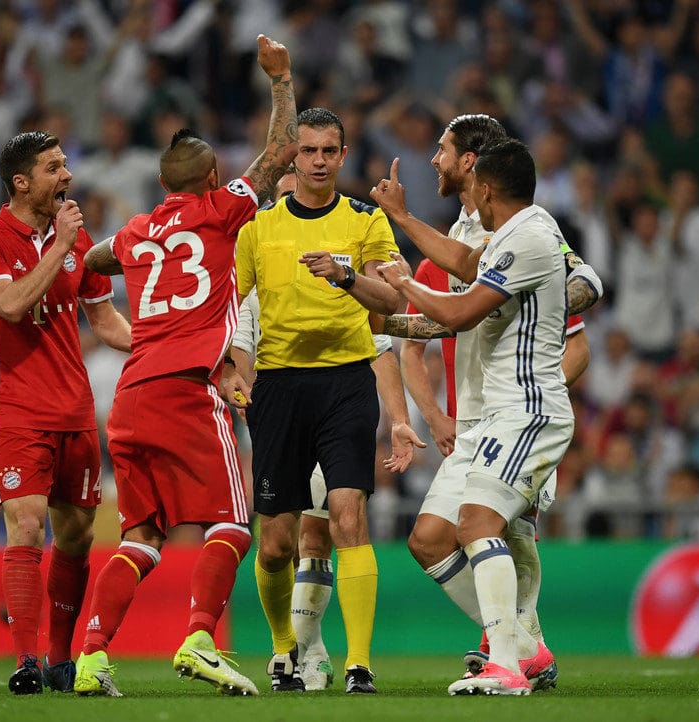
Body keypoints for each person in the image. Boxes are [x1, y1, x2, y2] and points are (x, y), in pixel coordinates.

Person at [75, 33, 297, 698]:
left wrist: (98, 309)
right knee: (232, 521)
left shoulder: (138, 231)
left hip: (133, 393)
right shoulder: (222, 208)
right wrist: (280, 81)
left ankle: (90, 658)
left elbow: (92, 262)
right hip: (187, 390)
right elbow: (278, 153)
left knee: (141, 537)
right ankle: (200, 637)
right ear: (208, 179)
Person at [372, 114, 603, 690]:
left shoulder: (527, 234)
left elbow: (462, 310)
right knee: (434, 536)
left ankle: (509, 657)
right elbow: (458, 286)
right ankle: (520, 647)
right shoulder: (493, 235)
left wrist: (404, 280)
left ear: (478, 174)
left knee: (493, 529)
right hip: (488, 414)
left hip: (523, 407)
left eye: (443, 150)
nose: (435, 161)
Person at [222, 107, 425, 695]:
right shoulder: (257, 230)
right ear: (294, 156)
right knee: (278, 539)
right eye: (307, 150)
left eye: (328, 151)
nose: (316, 161)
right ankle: (285, 649)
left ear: (341, 155)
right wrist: (227, 372)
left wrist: (344, 276)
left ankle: (359, 662)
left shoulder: (364, 221)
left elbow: (391, 298)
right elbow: (230, 307)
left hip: (346, 380)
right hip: (279, 387)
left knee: (347, 517)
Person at [0, 130, 131, 695]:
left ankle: (60, 658)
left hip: (76, 408)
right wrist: (59, 246)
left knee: (77, 535)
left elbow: (105, 323)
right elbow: (8, 306)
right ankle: (25, 660)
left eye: (66, 165)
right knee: (27, 524)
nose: (68, 177)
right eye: (55, 168)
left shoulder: (78, 243)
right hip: (15, 405)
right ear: (21, 182)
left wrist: (170, 343)